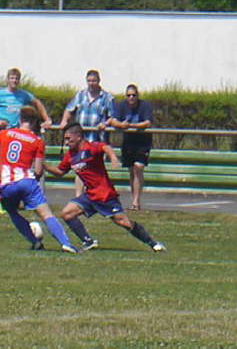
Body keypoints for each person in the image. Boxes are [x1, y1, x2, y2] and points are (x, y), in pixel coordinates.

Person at [44, 123, 166, 252]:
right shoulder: (70, 155)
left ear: (79, 136)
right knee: (67, 213)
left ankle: (153, 243)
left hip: (105, 195)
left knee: (123, 222)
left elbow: (104, 147)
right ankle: (88, 241)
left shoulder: (90, 148)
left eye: (69, 139)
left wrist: (113, 157)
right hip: (90, 194)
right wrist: (43, 165)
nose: (67, 142)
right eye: (65, 139)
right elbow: (59, 172)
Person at [0, 106, 78, 253]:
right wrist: (34, 181)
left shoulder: (4, 134)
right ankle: (65, 243)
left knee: (12, 212)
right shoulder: (37, 141)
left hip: (7, 183)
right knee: (46, 214)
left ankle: (34, 241)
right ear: (33, 122)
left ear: (20, 119)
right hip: (27, 181)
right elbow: (38, 170)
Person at [0, 68, 52, 215]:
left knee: (18, 167)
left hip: (18, 136)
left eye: (17, 78)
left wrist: (46, 119)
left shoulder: (23, 95)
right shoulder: (0, 94)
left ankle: (13, 199)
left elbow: (36, 102)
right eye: (12, 78)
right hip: (3, 134)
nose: (14, 81)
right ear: (7, 79)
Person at [59, 69, 116, 196]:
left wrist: (105, 123)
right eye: (89, 81)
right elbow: (69, 109)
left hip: (96, 139)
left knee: (95, 168)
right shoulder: (80, 95)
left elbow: (112, 117)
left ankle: (96, 195)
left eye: (94, 81)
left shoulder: (107, 97)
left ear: (99, 81)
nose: (91, 83)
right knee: (80, 167)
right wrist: (64, 121)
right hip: (81, 138)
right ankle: (79, 196)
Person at [110, 84, 153, 211]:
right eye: (129, 95)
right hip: (128, 142)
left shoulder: (145, 105)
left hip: (142, 142)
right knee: (131, 171)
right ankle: (134, 200)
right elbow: (113, 120)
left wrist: (133, 125)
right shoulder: (121, 105)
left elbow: (148, 122)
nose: (131, 97)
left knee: (138, 168)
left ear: (137, 95)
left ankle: (136, 202)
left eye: (134, 95)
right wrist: (121, 125)